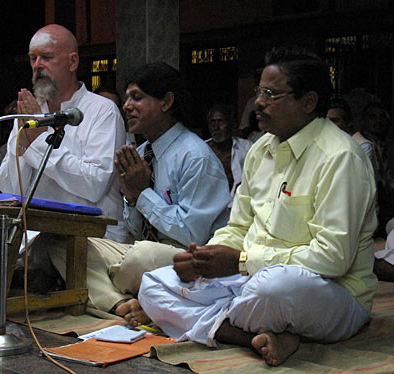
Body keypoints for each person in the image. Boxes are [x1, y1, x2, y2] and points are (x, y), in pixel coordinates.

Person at [134, 47, 377, 367]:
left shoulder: (340, 157)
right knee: (152, 285)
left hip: (331, 293)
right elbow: (239, 226)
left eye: (271, 94)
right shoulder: (261, 149)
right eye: (258, 91)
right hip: (249, 281)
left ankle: (210, 321)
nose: (258, 102)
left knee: (273, 287)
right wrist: (205, 258)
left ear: (308, 102)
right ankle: (252, 335)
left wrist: (243, 262)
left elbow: (332, 258)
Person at [0, 24, 127, 284]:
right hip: (30, 229)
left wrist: (35, 143)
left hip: (78, 234)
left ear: (72, 62)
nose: (38, 65)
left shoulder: (102, 111)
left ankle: (18, 277)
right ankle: (19, 278)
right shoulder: (29, 112)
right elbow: (8, 185)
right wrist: (23, 146)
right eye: (33, 58)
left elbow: (93, 185)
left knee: (48, 245)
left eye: (46, 57)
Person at [45, 62, 230, 313]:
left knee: (141, 255)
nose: (126, 106)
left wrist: (142, 194)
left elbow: (192, 235)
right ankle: (121, 303)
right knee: (63, 243)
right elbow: (137, 230)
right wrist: (132, 199)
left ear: (166, 102)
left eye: (137, 97)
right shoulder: (141, 154)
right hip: (145, 254)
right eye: (127, 97)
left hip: (190, 258)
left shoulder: (195, 156)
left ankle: (111, 290)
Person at [352, 102, 393, 236]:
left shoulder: (383, 142)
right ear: (363, 121)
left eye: (382, 117)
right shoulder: (363, 145)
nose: (378, 121)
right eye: (373, 117)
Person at [205, 104, 252, 205]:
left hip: (240, 207)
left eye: (221, 121)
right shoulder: (202, 150)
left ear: (232, 123)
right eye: (212, 122)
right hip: (211, 211)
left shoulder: (246, 147)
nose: (216, 127)